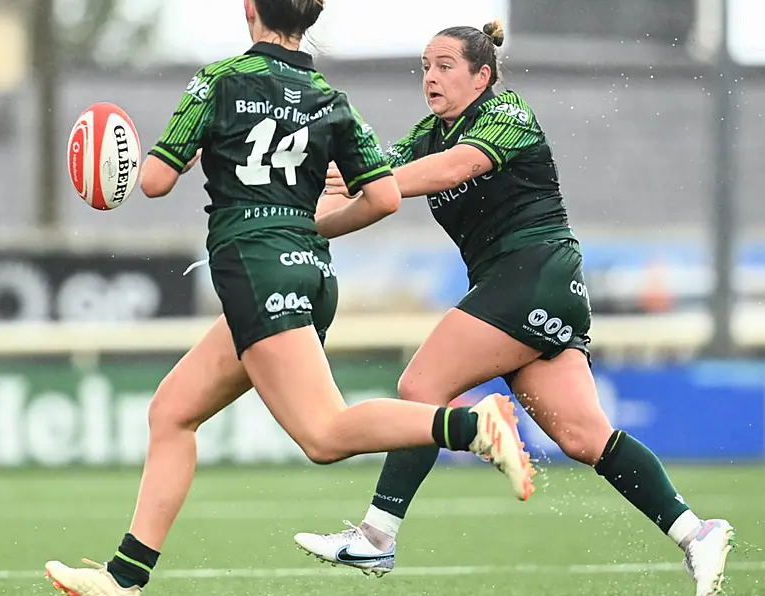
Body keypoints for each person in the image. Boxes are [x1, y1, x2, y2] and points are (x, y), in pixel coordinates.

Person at [42, 4, 538, 596]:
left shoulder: (220, 80)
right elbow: (382, 199)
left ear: (250, 9)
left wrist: (169, 153)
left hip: (256, 271)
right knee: (171, 412)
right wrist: (306, 231)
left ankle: (472, 426)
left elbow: (152, 181)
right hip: (309, 273)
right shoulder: (332, 98)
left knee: (324, 435)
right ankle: (124, 578)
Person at [292, 20, 735, 596]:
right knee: (584, 438)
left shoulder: (508, 115)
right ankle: (695, 531)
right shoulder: (425, 137)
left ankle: (377, 537)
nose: (430, 76)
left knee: (421, 385)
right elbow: (375, 197)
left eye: (445, 66)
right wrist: (302, 224)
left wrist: (365, 174)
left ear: (483, 75)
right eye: (425, 66)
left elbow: (447, 170)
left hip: (533, 274)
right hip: (531, 291)